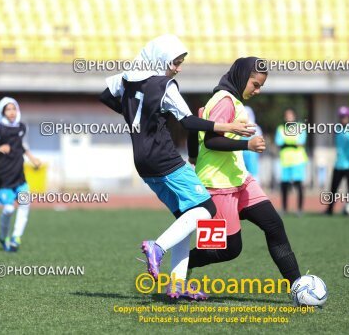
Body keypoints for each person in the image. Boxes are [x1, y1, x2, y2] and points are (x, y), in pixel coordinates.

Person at [99, 35, 254, 300]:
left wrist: (134, 114)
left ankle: (178, 285)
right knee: (206, 209)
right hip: (164, 158)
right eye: (176, 63)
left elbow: (106, 95)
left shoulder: (127, 77)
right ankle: (157, 247)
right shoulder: (165, 85)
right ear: (161, 60)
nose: (178, 68)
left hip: (143, 161)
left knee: (186, 217)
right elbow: (190, 122)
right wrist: (228, 127)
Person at [187, 57, 302, 287]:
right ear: (241, 76)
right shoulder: (225, 101)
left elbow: (196, 125)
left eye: (261, 86)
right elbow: (210, 141)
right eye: (255, 84)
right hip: (216, 185)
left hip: (240, 180)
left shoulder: (233, 101)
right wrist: (246, 145)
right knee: (229, 249)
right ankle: (183, 263)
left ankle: (298, 285)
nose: (257, 90)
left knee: (274, 225)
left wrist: (193, 154)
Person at [0, 97, 41, 252]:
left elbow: (21, 144)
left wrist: (32, 157)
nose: (12, 112)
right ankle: (3, 236)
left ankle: (16, 238)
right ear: (2, 111)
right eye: (8, 109)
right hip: (2, 176)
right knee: (8, 209)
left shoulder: (21, 127)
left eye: (14, 109)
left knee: (25, 204)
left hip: (19, 175)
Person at [275, 109, 308, 216]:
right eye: (287, 115)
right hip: (285, 160)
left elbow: (301, 142)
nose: (288, 117)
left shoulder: (300, 127)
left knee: (298, 185)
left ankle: (299, 209)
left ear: (294, 116)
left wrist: (286, 142)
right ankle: (284, 209)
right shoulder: (280, 128)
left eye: (290, 115)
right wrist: (292, 142)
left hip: (298, 160)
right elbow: (278, 142)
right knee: (284, 185)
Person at [325, 106, 349, 215]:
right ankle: (329, 210)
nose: (343, 119)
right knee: (333, 188)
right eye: (341, 117)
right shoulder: (337, 129)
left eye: (345, 116)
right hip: (339, 164)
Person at [242, 106, 263, 182]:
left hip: (252, 156)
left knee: (254, 175)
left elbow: (260, 143)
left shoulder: (256, 129)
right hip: (241, 155)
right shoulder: (239, 128)